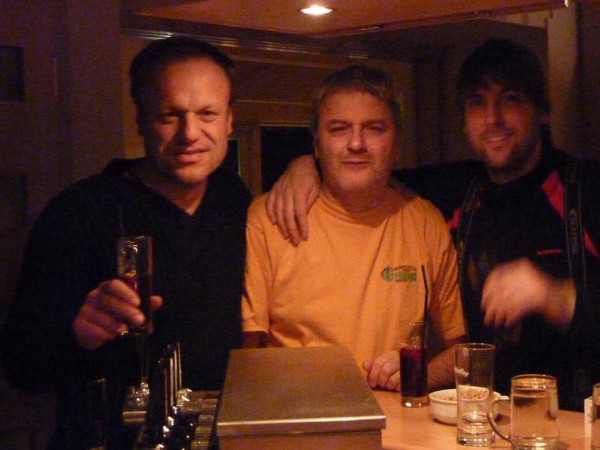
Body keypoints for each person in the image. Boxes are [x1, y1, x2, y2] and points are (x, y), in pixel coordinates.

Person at [266, 38, 600, 411]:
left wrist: (553, 295)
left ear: (542, 109)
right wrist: (304, 166)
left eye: (510, 99)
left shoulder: (588, 190)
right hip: (479, 422)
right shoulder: (453, 189)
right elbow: (363, 170)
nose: (493, 118)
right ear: (464, 120)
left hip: (578, 422)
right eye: (478, 103)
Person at [0, 37, 251, 448]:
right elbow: (21, 365)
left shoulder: (235, 199)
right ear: (140, 119)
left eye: (207, 113)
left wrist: (305, 168)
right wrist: (78, 335)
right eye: (169, 115)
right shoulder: (80, 211)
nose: (190, 133)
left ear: (229, 121)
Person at [242, 65, 466, 392]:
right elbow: (248, 359)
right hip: (300, 416)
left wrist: (419, 374)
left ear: (396, 143)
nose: (356, 143)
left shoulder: (425, 221)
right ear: (316, 145)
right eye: (339, 129)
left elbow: (461, 351)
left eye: (374, 128)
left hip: (400, 418)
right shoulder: (269, 218)